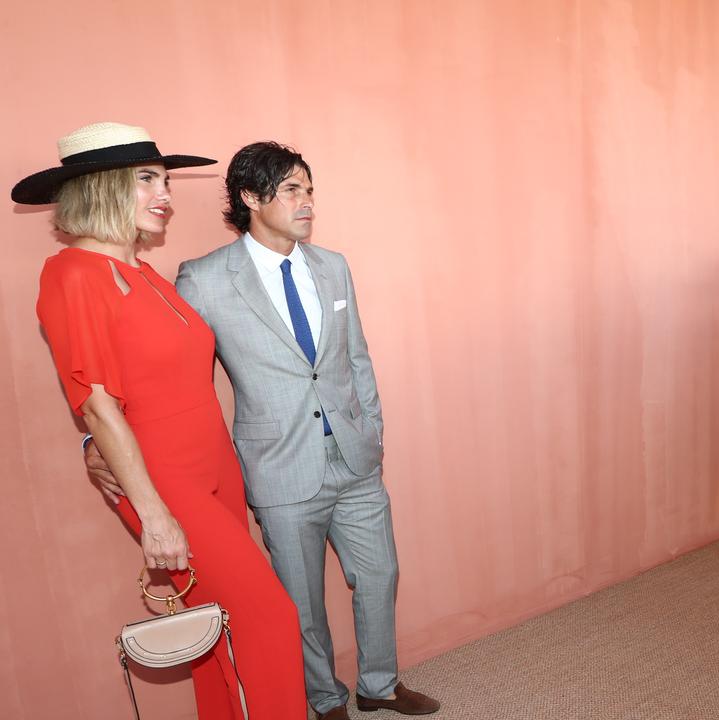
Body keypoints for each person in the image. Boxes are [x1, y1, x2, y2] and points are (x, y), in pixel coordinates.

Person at [90, 142, 439, 719]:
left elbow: (357, 360)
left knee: (380, 575)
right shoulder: (203, 280)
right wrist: (96, 438)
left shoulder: (333, 266)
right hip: (278, 465)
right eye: (292, 191)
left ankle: (380, 684)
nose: (307, 204)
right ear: (251, 198)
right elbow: (163, 371)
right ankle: (325, 699)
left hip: (354, 458)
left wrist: (372, 433)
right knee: (299, 601)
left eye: (310, 191)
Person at [16, 122, 307, 719]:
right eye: (147, 179)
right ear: (100, 188)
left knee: (218, 629)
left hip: (216, 468)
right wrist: (153, 514)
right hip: (166, 484)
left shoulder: (147, 274)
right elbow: (97, 402)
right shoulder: (72, 274)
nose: (165, 195)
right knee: (267, 617)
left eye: (165, 179)